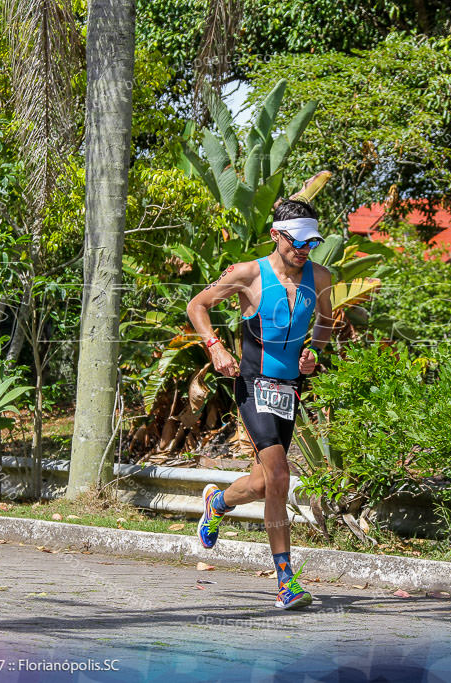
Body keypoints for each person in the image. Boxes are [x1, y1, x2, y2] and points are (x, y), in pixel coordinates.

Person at [185, 198, 333, 610]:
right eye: (297, 242)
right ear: (276, 235)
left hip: (290, 388)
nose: (303, 250)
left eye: (311, 243)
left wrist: (314, 352)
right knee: (281, 474)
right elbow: (196, 305)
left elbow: (326, 320)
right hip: (252, 384)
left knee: (266, 482)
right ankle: (286, 581)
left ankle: (219, 502)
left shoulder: (320, 277)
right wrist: (215, 347)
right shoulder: (248, 274)